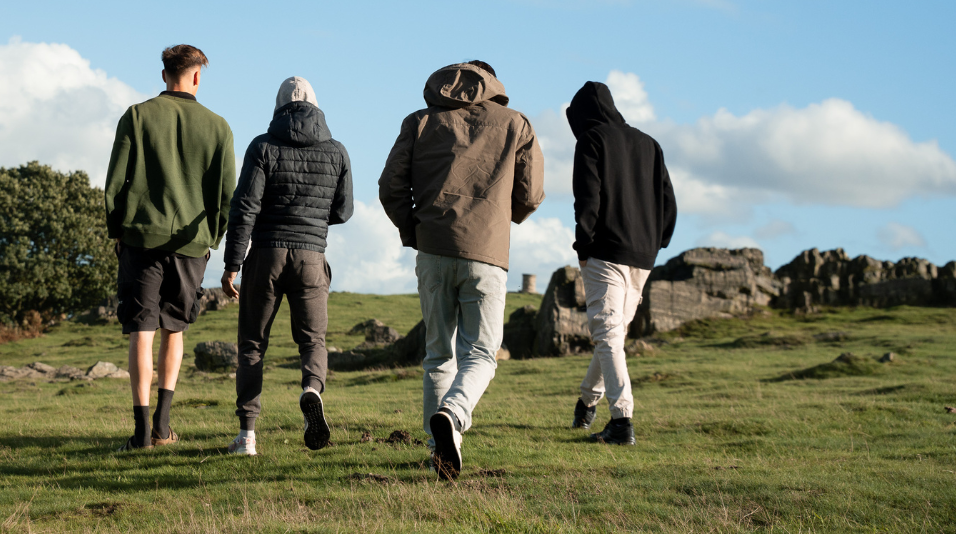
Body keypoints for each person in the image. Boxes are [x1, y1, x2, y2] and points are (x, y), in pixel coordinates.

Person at [378, 60, 544, 480]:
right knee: (482, 353)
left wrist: (412, 228)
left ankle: (438, 446)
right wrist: (501, 218)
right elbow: (532, 192)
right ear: (492, 84)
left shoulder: (418, 122)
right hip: (486, 252)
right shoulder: (515, 123)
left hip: (432, 248)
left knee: (438, 354)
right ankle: (453, 415)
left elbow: (390, 185)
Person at [104, 44, 235, 452]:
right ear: (197, 76)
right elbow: (227, 195)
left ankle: (141, 433)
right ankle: (163, 428)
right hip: (190, 245)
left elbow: (115, 183)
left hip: (140, 238)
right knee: (174, 329)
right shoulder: (218, 127)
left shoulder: (138, 115)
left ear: (164, 75)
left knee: (141, 332)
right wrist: (212, 238)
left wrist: (117, 231)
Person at [221, 76, 353, 456]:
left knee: (252, 345)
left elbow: (244, 207)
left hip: (265, 255)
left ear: (278, 107)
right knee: (313, 341)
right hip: (312, 256)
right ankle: (312, 389)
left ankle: (247, 436)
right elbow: (343, 211)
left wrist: (232, 263)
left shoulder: (262, 147)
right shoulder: (337, 151)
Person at [566, 81, 676, 446]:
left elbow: (588, 198)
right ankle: (586, 403)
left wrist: (583, 246)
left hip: (606, 250)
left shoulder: (592, 140)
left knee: (608, 333)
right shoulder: (650, 144)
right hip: (643, 255)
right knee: (612, 334)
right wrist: (656, 242)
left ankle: (621, 421)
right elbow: (668, 201)